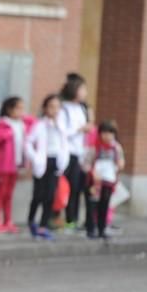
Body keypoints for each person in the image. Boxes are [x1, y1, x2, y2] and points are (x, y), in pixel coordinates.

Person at [25, 94, 69, 240]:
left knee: (50, 195)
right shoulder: (39, 125)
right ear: (45, 108)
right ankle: (31, 221)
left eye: (57, 107)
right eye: (51, 107)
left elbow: (64, 145)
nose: (54, 110)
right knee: (38, 194)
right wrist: (35, 157)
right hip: (42, 162)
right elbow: (28, 142)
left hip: (55, 162)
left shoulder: (61, 126)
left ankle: (43, 225)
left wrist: (64, 161)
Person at [0, 97, 31, 233]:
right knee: (0, 194)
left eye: (22, 108)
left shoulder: (21, 124)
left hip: (15, 165)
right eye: (18, 108)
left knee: (9, 195)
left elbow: (34, 122)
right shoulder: (3, 124)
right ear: (9, 109)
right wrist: (7, 133)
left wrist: (24, 117)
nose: (21, 111)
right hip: (2, 166)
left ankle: (8, 221)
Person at [57, 75, 93, 232]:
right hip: (67, 152)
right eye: (82, 89)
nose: (85, 92)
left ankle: (73, 219)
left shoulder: (82, 108)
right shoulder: (63, 108)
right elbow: (62, 131)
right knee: (66, 187)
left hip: (79, 152)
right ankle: (62, 218)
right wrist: (79, 129)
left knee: (77, 188)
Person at [84, 120, 125, 240]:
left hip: (108, 181)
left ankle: (102, 229)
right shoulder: (94, 147)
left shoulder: (116, 147)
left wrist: (119, 166)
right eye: (104, 133)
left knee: (104, 205)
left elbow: (120, 160)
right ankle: (90, 229)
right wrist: (92, 172)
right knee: (92, 205)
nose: (107, 136)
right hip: (94, 182)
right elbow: (86, 164)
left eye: (110, 133)